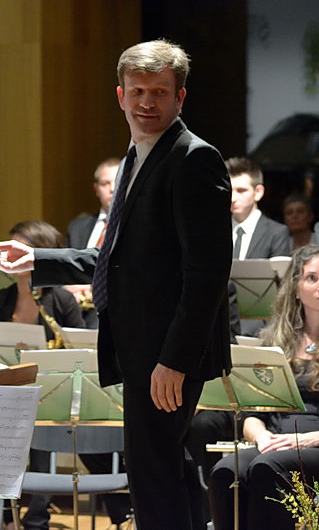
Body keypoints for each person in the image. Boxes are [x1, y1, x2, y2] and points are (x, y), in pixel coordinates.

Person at [0, 40, 232, 530]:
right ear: (121, 95)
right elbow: (124, 260)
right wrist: (38, 259)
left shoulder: (194, 158)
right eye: (138, 91)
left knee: (153, 475)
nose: (147, 102)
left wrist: (175, 360)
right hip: (142, 348)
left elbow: (207, 274)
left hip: (166, 355)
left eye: (160, 92)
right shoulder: (138, 155)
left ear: (180, 97)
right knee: (162, 471)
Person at [208, 245, 319, 530]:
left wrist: (308, 439)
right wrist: (262, 437)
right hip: (275, 442)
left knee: (267, 467)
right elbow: (251, 415)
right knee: (225, 471)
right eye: (312, 278)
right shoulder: (274, 341)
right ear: (296, 288)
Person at [1, 221, 84, 530]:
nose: (8, 259)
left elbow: (80, 349)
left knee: (39, 424)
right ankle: (7, 516)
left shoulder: (60, 299)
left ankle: (36, 518)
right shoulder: (3, 298)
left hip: (52, 391)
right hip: (9, 389)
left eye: (17, 251)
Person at [64, 157, 121, 328]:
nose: (112, 189)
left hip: (116, 313)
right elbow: (65, 267)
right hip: (74, 312)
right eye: (105, 183)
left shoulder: (136, 226)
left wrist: (92, 287)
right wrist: (68, 287)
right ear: (96, 189)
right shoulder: (77, 227)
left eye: (117, 181)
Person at [228, 156, 291, 259]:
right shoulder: (215, 231)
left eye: (241, 191)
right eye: (229, 191)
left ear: (258, 192)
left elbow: (279, 269)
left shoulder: (276, 232)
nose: (233, 198)